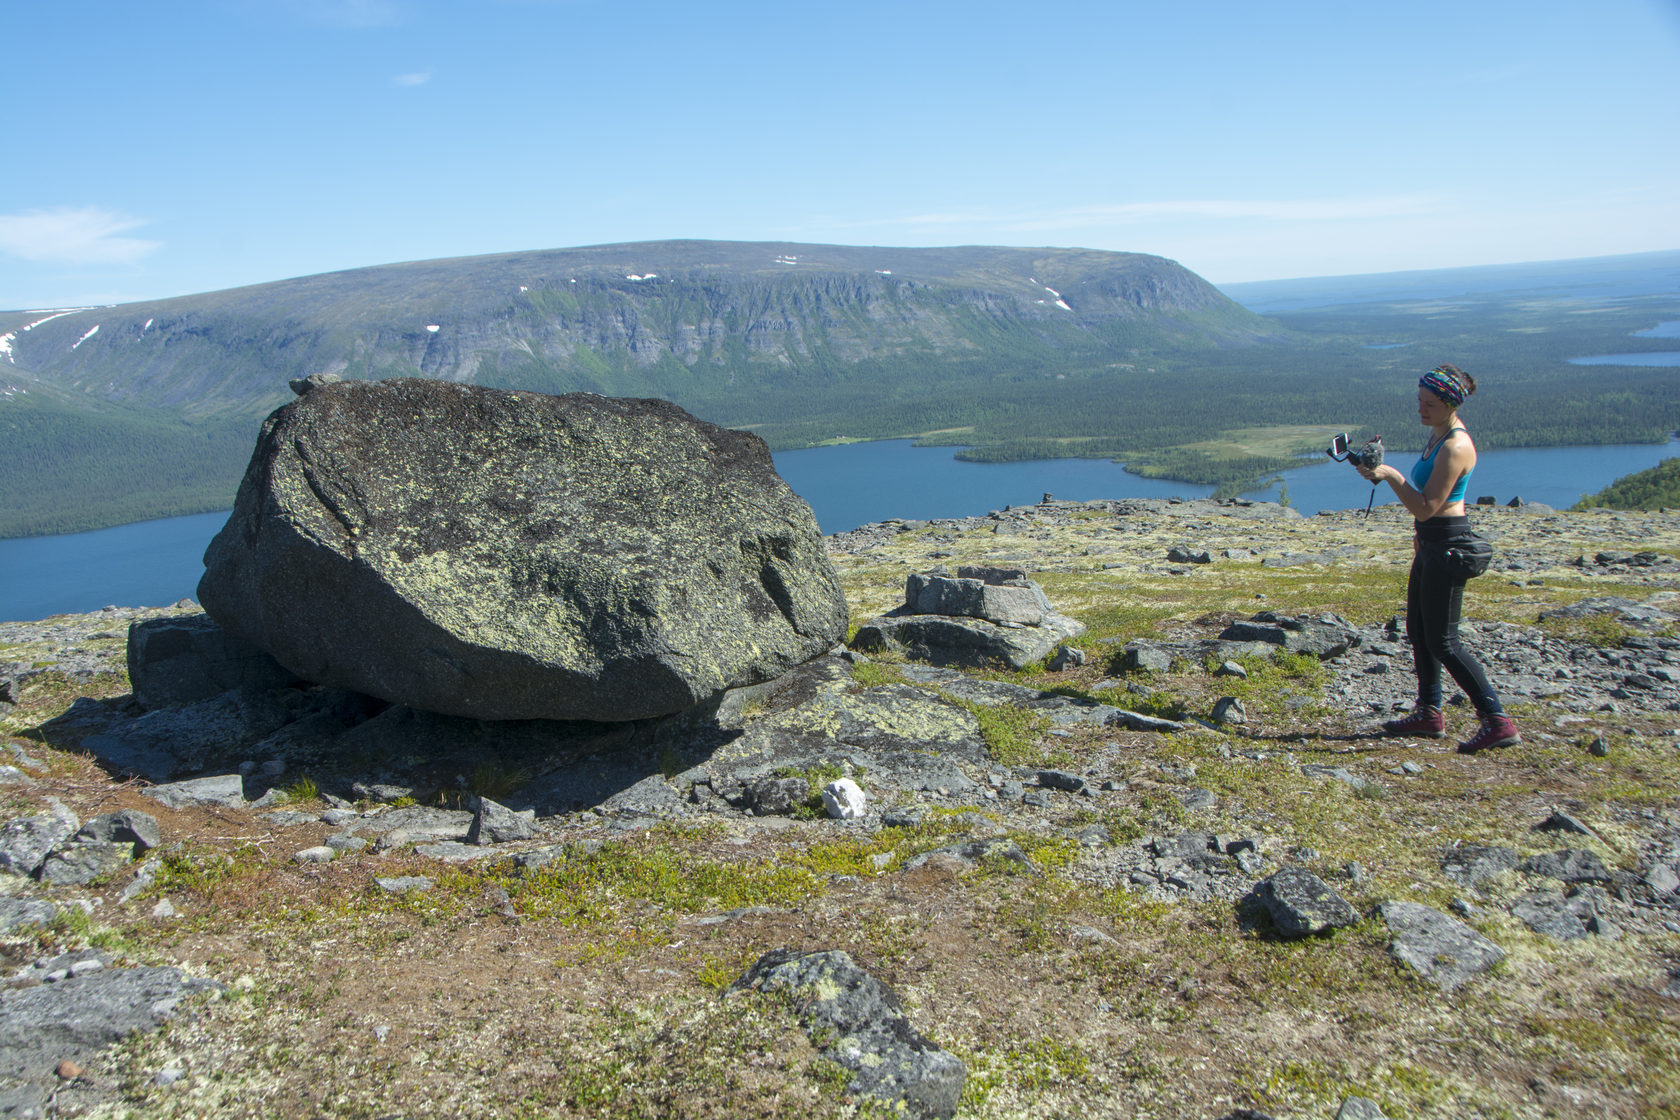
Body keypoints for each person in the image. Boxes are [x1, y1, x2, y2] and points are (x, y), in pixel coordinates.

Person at [1356, 363, 1521, 754]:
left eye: (1429, 404)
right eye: (1419, 401)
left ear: (1451, 403)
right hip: (1430, 542)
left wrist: (1391, 476)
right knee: (1417, 629)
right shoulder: (1437, 435)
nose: (1420, 410)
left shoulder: (1455, 446)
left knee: (1444, 641)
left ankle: (1497, 721)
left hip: (1448, 544)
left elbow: (1428, 505)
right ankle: (1429, 713)